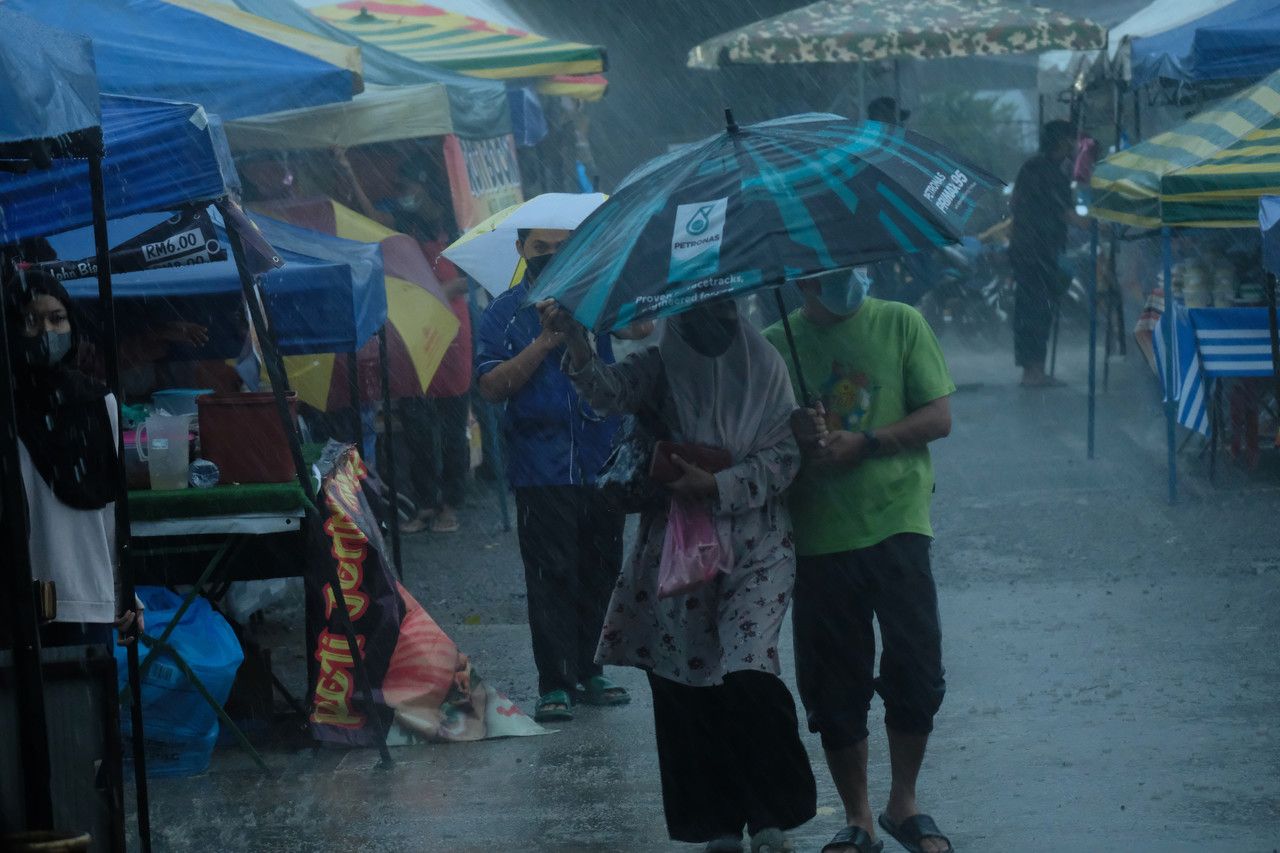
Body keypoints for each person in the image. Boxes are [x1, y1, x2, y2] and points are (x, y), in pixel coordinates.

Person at [548, 298, 817, 853]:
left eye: (720, 312)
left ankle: (771, 814)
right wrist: (576, 341)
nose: (709, 325)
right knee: (688, 685)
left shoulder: (768, 368)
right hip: (678, 543)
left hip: (757, 541)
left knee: (750, 672)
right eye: (696, 314)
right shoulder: (658, 367)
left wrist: (718, 484)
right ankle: (717, 823)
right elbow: (606, 392)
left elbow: (783, 458)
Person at [764, 271, 955, 853]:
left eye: (847, 267)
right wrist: (795, 435)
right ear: (802, 280)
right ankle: (859, 817)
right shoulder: (773, 347)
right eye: (828, 272)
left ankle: (904, 803)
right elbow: (754, 443)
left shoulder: (901, 323)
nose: (845, 280)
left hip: (899, 524)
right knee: (833, 687)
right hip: (819, 537)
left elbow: (938, 416)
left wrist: (869, 442)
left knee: (917, 669)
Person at [473, 227, 629, 722]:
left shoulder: (597, 301)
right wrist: (544, 341)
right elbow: (491, 387)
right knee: (550, 574)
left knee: (602, 568)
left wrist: (585, 319)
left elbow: (642, 329)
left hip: (601, 459)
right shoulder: (503, 313)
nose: (552, 257)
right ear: (521, 250)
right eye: (541, 249)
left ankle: (592, 669)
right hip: (539, 465)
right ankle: (556, 682)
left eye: (563, 249)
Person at [4, 269, 141, 649]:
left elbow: (111, 511)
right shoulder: (7, 409)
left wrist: (124, 590)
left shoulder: (99, 403)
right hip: (15, 605)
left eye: (56, 318)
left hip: (87, 599)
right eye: (31, 320)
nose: (46, 331)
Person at [1010, 119, 1079, 387]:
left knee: (1032, 310)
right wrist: (1095, 222)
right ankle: (1033, 372)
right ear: (1062, 141)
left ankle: (1033, 368)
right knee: (1036, 311)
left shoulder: (1032, 168)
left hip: (1028, 251)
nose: (1075, 145)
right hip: (1036, 254)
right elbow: (1066, 213)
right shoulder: (1049, 173)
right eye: (1071, 139)